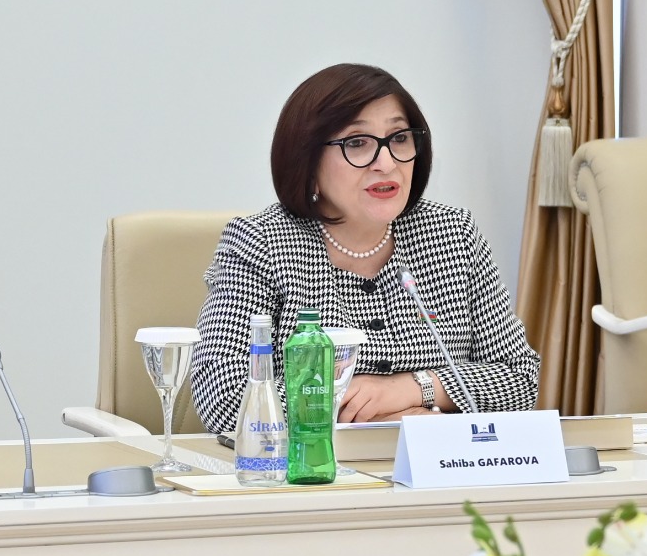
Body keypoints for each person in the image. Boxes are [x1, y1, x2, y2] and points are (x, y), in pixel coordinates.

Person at [191, 63, 540, 435]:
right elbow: (224, 400)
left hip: (440, 466)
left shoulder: (453, 233)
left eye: (399, 138)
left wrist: (409, 389)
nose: (386, 164)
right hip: (314, 468)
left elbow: (519, 379)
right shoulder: (262, 242)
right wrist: (380, 418)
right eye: (357, 143)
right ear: (307, 161)